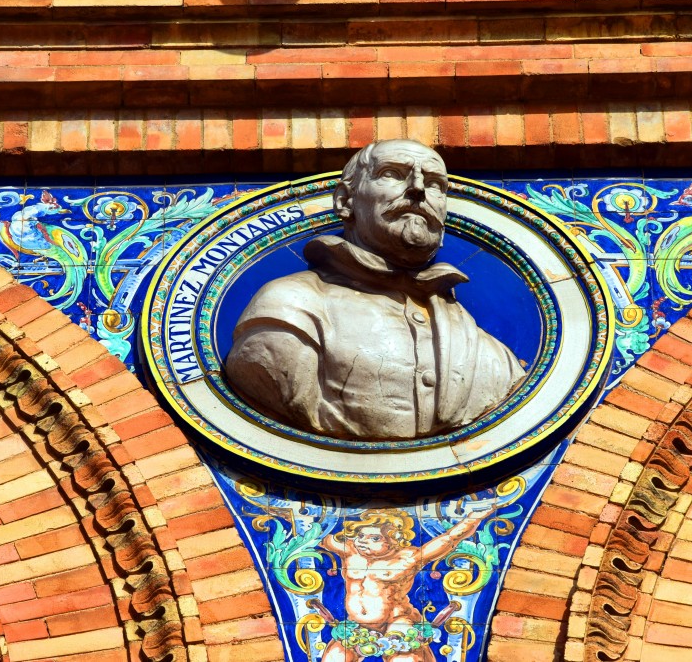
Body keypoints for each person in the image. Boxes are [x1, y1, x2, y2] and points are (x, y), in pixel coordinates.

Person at [225, 139, 525, 441]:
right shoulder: (290, 306)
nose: (418, 189)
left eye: (434, 184)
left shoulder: (491, 353)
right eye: (393, 174)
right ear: (345, 201)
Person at [316, 507, 496, 662]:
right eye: (361, 535)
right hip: (357, 625)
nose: (363, 541)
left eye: (374, 538)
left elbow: (449, 539)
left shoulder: (407, 558)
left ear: (394, 540)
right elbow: (317, 534)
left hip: (397, 622)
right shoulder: (349, 551)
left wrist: (476, 516)